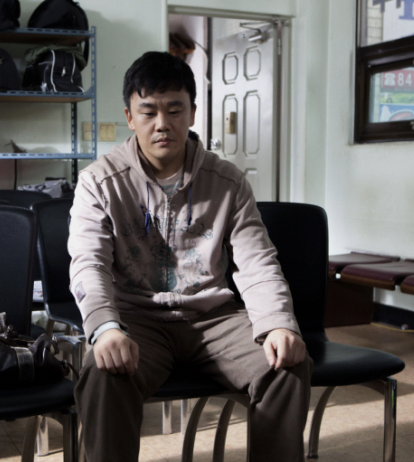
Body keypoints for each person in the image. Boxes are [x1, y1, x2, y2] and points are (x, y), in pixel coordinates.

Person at [68, 51, 312, 461]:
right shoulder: (99, 181)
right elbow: (88, 264)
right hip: (137, 320)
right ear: (130, 117)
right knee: (102, 371)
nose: (162, 123)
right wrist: (105, 328)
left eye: (175, 109)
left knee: (284, 365)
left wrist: (277, 324)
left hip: (214, 318)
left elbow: (257, 261)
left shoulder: (228, 181)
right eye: (148, 112)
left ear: (193, 113)